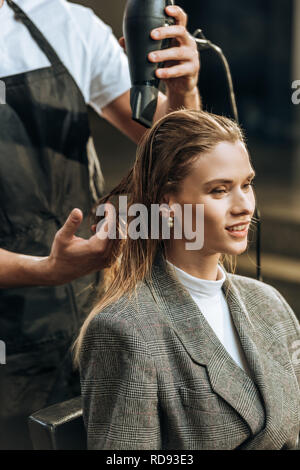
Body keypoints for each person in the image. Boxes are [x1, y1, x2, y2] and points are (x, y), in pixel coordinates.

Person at [0, 0, 200, 449]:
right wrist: (42, 270)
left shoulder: (65, 24)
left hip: (91, 311)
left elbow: (169, 147)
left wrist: (182, 92)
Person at [76, 110, 300, 450]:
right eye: (219, 190)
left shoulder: (270, 304)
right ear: (168, 204)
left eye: (247, 184)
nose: (244, 206)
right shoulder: (124, 330)